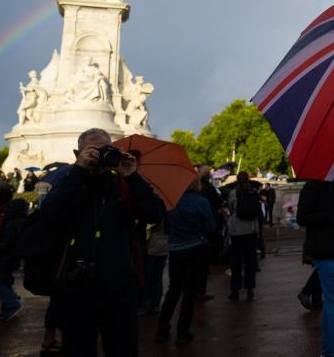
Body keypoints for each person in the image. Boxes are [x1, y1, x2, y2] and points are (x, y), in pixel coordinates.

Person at [41, 127, 165, 357]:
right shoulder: (69, 180)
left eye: (106, 150)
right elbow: (50, 216)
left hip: (119, 286)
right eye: (94, 151)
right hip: (76, 286)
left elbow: (154, 214)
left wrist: (132, 175)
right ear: (77, 153)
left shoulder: (123, 184)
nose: (100, 156)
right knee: (78, 349)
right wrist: (79, 171)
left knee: (123, 350)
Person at [156, 175, 216, 343]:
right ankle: (182, 332)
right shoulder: (202, 202)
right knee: (190, 292)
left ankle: (162, 329)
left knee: (173, 290)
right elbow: (211, 227)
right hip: (196, 248)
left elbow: (166, 229)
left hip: (175, 249)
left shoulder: (171, 203)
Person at [298, 180, 334, 357]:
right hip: (329, 250)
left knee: (332, 304)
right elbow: (302, 216)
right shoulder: (314, 186)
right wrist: (330, 216)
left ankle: (329, 350)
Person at [0, 185, 28, 320]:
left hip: (6, 256)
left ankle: (12, 305)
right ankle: (8, 309)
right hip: (10, 256)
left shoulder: (8, 218)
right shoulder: (13, 215)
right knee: (4, 281)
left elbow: (7, 240)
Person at [226, 172, 260, 300]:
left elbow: (231, 208)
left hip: (237, 231)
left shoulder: (233, 193)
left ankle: (235, 291)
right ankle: (250, 290)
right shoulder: (253, 192)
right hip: (251, 230)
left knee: (236, 263)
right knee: (250, 262)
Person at [196, 165, 222, 300]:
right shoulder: (210, 190)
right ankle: (200, 290)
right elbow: (217, 205)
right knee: (203, 263)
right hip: (204, 232)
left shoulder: (187, 197)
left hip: (188, 237)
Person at [141, 222, 167, 314]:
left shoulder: (153, 215)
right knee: (158, 277)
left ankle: (147, 304)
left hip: (152, 249)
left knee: (148, 277)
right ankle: (156, 304)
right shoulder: (167, 212)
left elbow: (147, 229)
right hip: (164, 247)